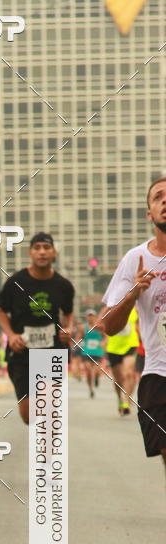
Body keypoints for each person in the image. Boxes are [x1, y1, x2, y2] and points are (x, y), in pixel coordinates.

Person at [100, 176, 166, 471]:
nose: (165, 200)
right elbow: (109, 325)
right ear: (149, 213)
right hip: (158, 372)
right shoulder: (135, 259)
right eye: (158, 197)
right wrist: (133, 293)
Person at [0, 233, 75, 424]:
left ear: (54, 252)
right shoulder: (16, 282)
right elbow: (0, 310)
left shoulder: (63, 285)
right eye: (37, 248)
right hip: (21, 353)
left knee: (48, 406)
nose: (42, 252)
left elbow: (69, 313)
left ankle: (46, 449)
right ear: (30, 253)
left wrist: (68, 329)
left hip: (52, 351)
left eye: (46, 248)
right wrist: (11, 335)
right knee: (29, 415)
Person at [101, 306, 139, 416]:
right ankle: (120, 399)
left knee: (128, 373)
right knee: (118, 379)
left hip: (130, 345)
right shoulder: (110, 307)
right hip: (113, 348)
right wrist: (105, 337)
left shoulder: (135, 309)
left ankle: (126, 400)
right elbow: (101, 323)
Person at [79, 309, 105, 397]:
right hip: (87, 351)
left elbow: (106, 336)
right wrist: (78, 342)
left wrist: (104, 343)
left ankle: (97, 377)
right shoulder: (83, 327)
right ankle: (91, 389)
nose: (90, 317)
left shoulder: (100, 327)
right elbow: (79, 337)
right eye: (88, 316)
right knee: (88, 372)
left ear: (95, 317)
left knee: (97, 371)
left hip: (98, 351)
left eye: (92, 316)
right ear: (86, 317)